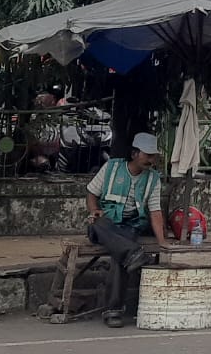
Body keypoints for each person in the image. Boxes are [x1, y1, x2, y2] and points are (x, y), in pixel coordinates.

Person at [87, 133, 169, 326]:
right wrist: (94, 210)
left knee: (120, 256)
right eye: (147, 155)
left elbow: (155, 212)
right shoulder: (112, 167)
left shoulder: (153, 179)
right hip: (106, 223)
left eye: (153, 156)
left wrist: (162, 242)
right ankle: (133, 254)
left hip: (129, 227)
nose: (151, 160)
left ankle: (113, 310)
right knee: (99, 224)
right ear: (134, 153)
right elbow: (91, 192)